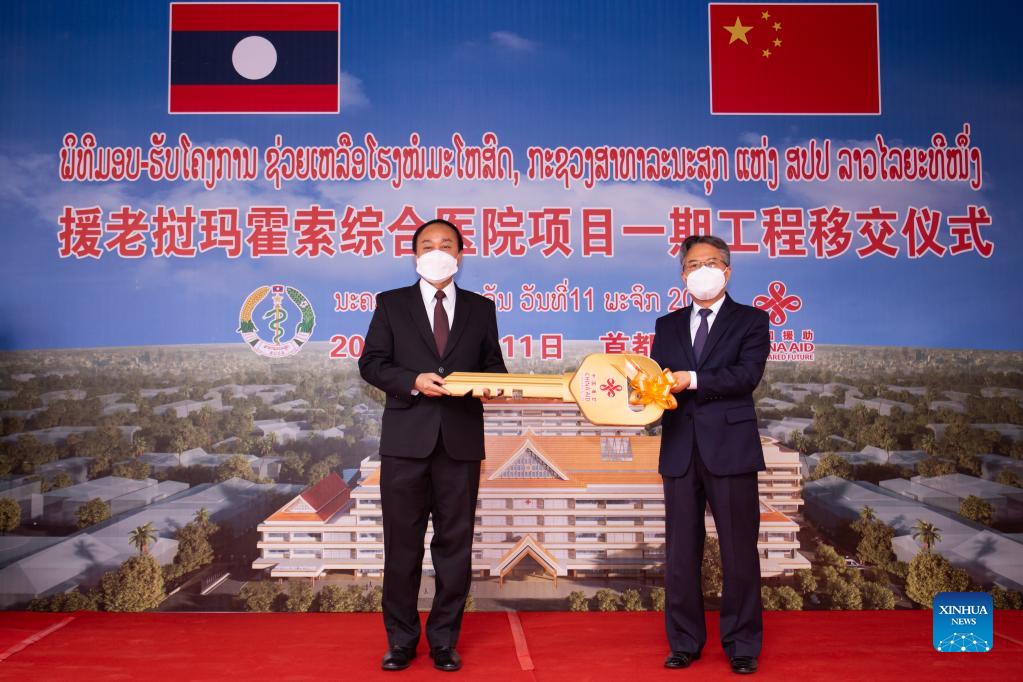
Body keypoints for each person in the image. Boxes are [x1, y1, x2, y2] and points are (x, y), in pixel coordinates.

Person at [359, 219, 507, 673]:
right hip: (406, 443)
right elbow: (371, 363)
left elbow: (494, 367)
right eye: (428, 245)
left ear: (460, 255)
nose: (437, 251)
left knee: (454, 548)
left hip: (460, 443)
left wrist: (494, 386)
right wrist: (413, 381)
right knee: (402, 547)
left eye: (446, 245)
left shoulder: (481, 308)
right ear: (415, 255)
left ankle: (444, 641)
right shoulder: (391, 304)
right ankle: (401, 641)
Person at [650, 235, 770, 675]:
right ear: (682, 275)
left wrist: (694, 379)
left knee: (739, 552)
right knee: (681, 553)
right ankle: (684, 641)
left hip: (731, 449)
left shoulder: (751, 320)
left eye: (712, 263)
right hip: (680, 449)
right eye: (693, 264)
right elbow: (657, 383)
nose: (702, 270)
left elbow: (746, 376)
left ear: (727, 271)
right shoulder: (667, 325)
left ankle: (742, 644)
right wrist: (640, 397)